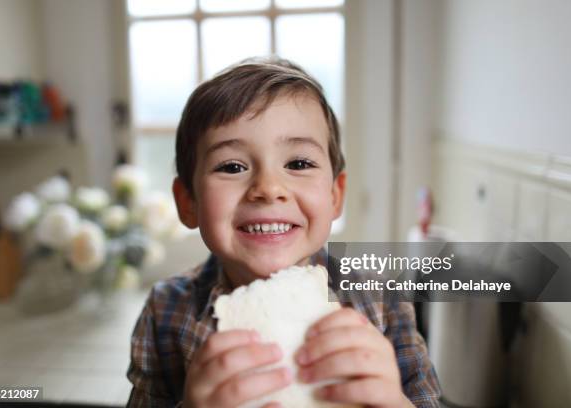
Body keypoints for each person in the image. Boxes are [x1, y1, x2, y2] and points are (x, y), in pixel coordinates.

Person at [127, 57, 441, 408]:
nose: (268, 187)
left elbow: (425, 397)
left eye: (298, 163)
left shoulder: (383, 302)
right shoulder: (165, 311)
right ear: (188, 202)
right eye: (232, 166)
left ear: (335, 195)